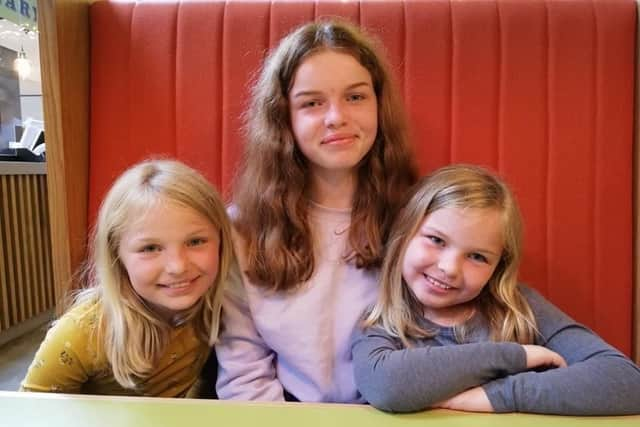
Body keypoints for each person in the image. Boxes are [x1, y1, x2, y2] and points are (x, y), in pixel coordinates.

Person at [215, 19, 417, 402]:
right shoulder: (241, 228)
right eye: (312, 103)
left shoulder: (421, 219)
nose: (336, 117)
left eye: (355, 97)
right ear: (284, 119)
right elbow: (244, 372)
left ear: (379, 105)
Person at [352, 164, 640, 415]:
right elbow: (385, 385)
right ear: (406, 231)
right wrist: (518, 356)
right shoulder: (381, 319)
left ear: (497, 267)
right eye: (436, 240)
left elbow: (627, 381)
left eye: (477, 257)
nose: (450, 268)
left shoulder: (521, 309)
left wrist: (494, 396)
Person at [20, 159, 233, 396]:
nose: (178, 267)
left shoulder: (223, 304)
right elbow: (28, 413)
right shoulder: (81, 334)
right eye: (150, 248)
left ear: (222, 242)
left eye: (195, 242)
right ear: (116, 255)